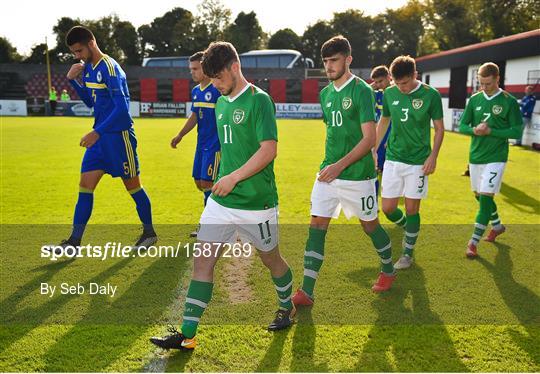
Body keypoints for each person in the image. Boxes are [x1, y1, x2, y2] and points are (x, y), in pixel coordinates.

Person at [150, 41, 295, 351]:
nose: (214, 85)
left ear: (234, 67)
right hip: (221, 202)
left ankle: (287, 305)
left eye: (218, 78)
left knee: (271, 260)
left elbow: (268, 150)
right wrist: (222, 176)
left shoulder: (260, 101)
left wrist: (234, 176)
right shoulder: (221, 102)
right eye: (210, 79)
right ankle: (187, 334)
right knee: (202, 262)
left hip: (257, 202)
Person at [291, 36, 397, 309]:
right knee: (316, 226)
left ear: (348, 59)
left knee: (369, 226)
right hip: (327, 173)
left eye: (334, 60)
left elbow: (368, 140)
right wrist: (331, 166)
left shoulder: (362, 91)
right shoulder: (325, 94)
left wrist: (339, 166)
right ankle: (307, 291)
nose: (329, 66)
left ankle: (388, 269)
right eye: (325, 61)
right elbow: (334, 134)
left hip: (358, 176)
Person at [51, 25, 157, 253]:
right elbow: (91, 102)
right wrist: (73, 82)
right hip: (99, 141)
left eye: (79, 51)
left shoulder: (110, 68)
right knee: (85, 187)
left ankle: (149, 233)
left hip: (119, 138)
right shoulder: (88, 68)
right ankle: (74, 242)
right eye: (74, 53)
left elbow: (122, 110)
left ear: (91, 43)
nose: (77, 57)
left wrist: (97, 132)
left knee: (133, 187)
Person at [375, 55, 445, 270]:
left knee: (412, 208)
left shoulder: (430, 95)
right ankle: (409, 228)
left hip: (418, 162)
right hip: (394, 159)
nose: (401, 88)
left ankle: (407, 254)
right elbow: (384, 121)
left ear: (415, 75)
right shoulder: (390, 93)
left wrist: (433, 157)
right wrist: (374, 149)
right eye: (397, 83)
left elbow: (440, 129)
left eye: (405, 83)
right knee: (387, 208)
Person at [458, 62, 523, 257]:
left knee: (485, 197)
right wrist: (474, 130)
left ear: (497, 79)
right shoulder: (475, 99)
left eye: (487, 83)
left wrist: (491, 131)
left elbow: (517, 130)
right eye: (481, 83)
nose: (484, 87)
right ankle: (497, 226)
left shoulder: (509, 101)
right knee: (479, 197)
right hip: (476, 157)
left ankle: (473, 243)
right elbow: (462, 126)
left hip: (496, 157)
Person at [171, 52, 221, 238]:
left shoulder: (217, 89)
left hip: (216, 145)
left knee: (208, 183)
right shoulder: (196, 91)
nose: (191, 72)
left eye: (195, 69)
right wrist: (180, 135)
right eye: (190, 69)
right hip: (201, 145)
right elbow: (194, 116)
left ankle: (210, 226)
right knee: (200, 183)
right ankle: (220, 219)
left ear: (205, 67)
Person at [370, 65, 392, 196]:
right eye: (376, 82)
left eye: (381, 81)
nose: (378, 84)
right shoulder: (378, 94)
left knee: (387, 170)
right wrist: (374, 85)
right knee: (375, 169)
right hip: (378, 137)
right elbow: (366, 89)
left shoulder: (396, 93)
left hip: (389, 138)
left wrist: (389, 138)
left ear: (389, 77)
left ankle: (389, 197)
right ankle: (374, 201)